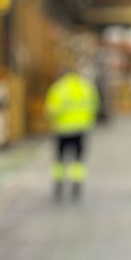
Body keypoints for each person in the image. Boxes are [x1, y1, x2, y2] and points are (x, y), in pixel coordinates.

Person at [44, 65, 100, 201]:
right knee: (78, 159)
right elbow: (95, 105)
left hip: (62, 129)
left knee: (59, 159)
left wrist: (53, 120)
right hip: (81, 128)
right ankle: (76, 187)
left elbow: (51, 110)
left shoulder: (58, 88)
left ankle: (59, 186)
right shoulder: (86, 86)